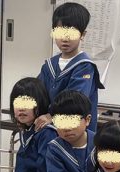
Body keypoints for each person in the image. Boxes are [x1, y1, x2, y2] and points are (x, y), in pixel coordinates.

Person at [36, 2, 103, 131]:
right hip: (51, 131)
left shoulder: (84, 66)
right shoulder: (49, 65)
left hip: (75, 133)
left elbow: (75, 100)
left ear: (82, 35)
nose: (65, 38)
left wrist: (51, 116)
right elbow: (38, 92)